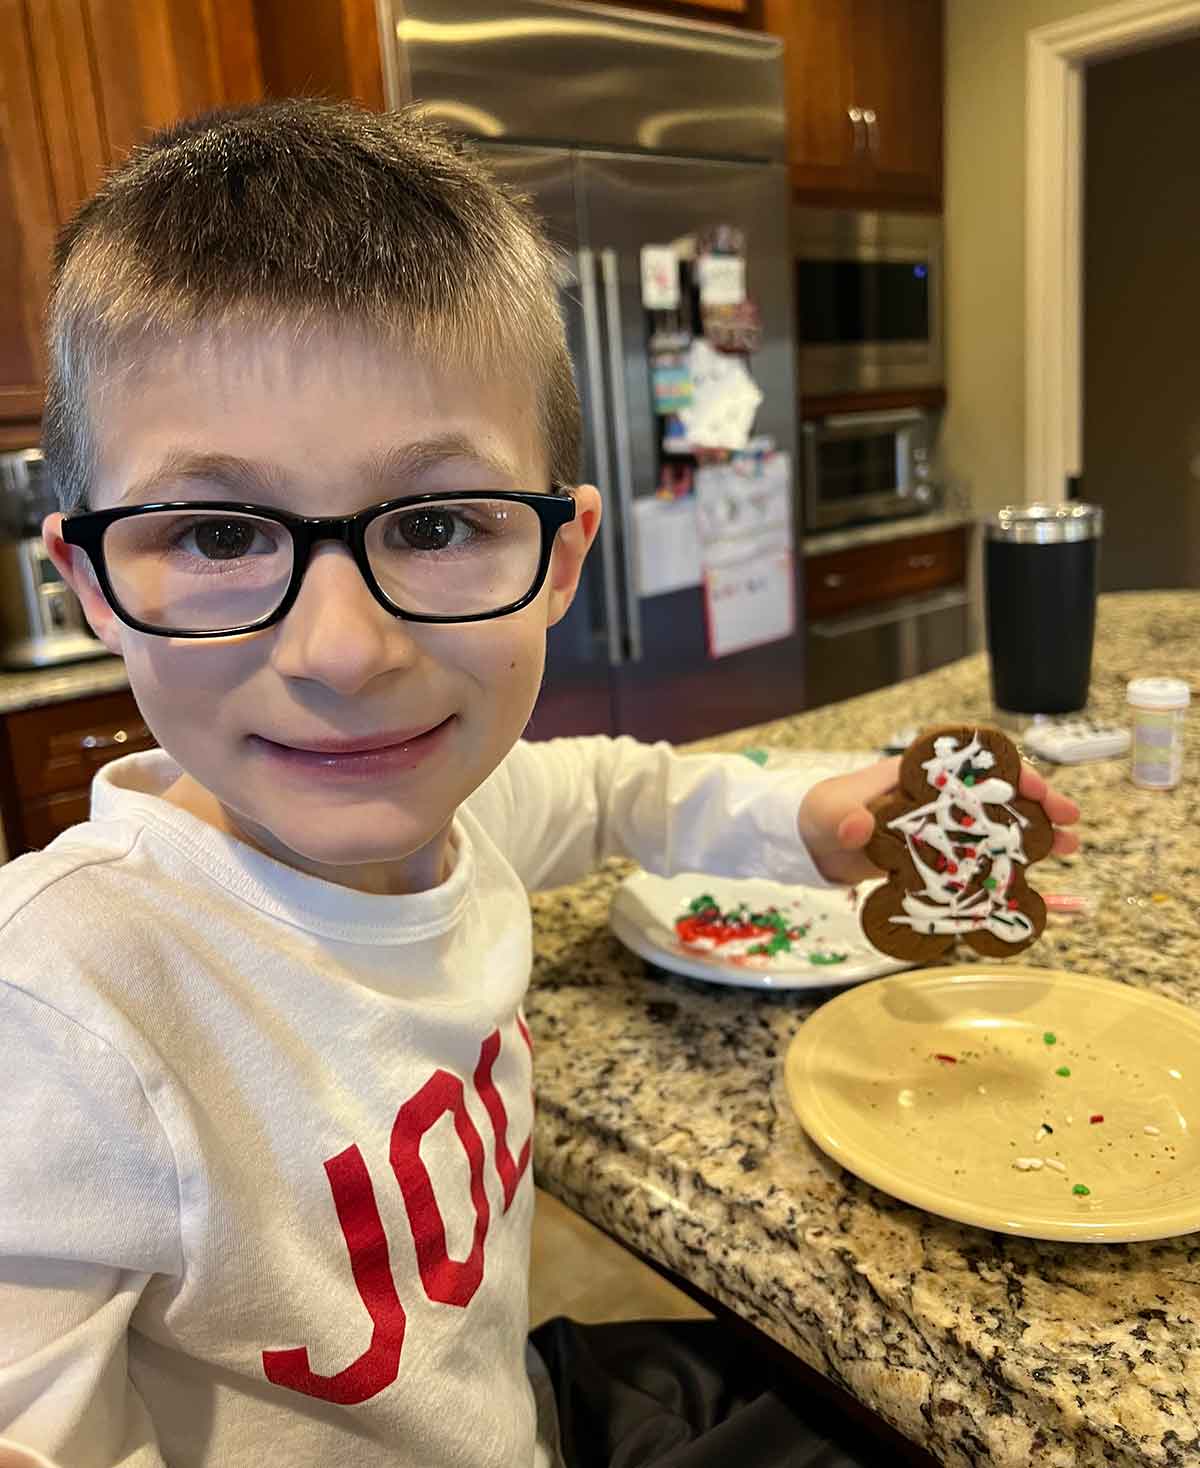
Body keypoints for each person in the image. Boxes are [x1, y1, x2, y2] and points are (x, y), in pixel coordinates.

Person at [0, 100, 1080, 1468]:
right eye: (218, 532)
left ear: (562, 557)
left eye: (439, 521)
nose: (345, 652)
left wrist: (813, 813)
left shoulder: (453, 818)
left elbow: (624, 791)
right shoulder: (59, 1015)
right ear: (91, 582)